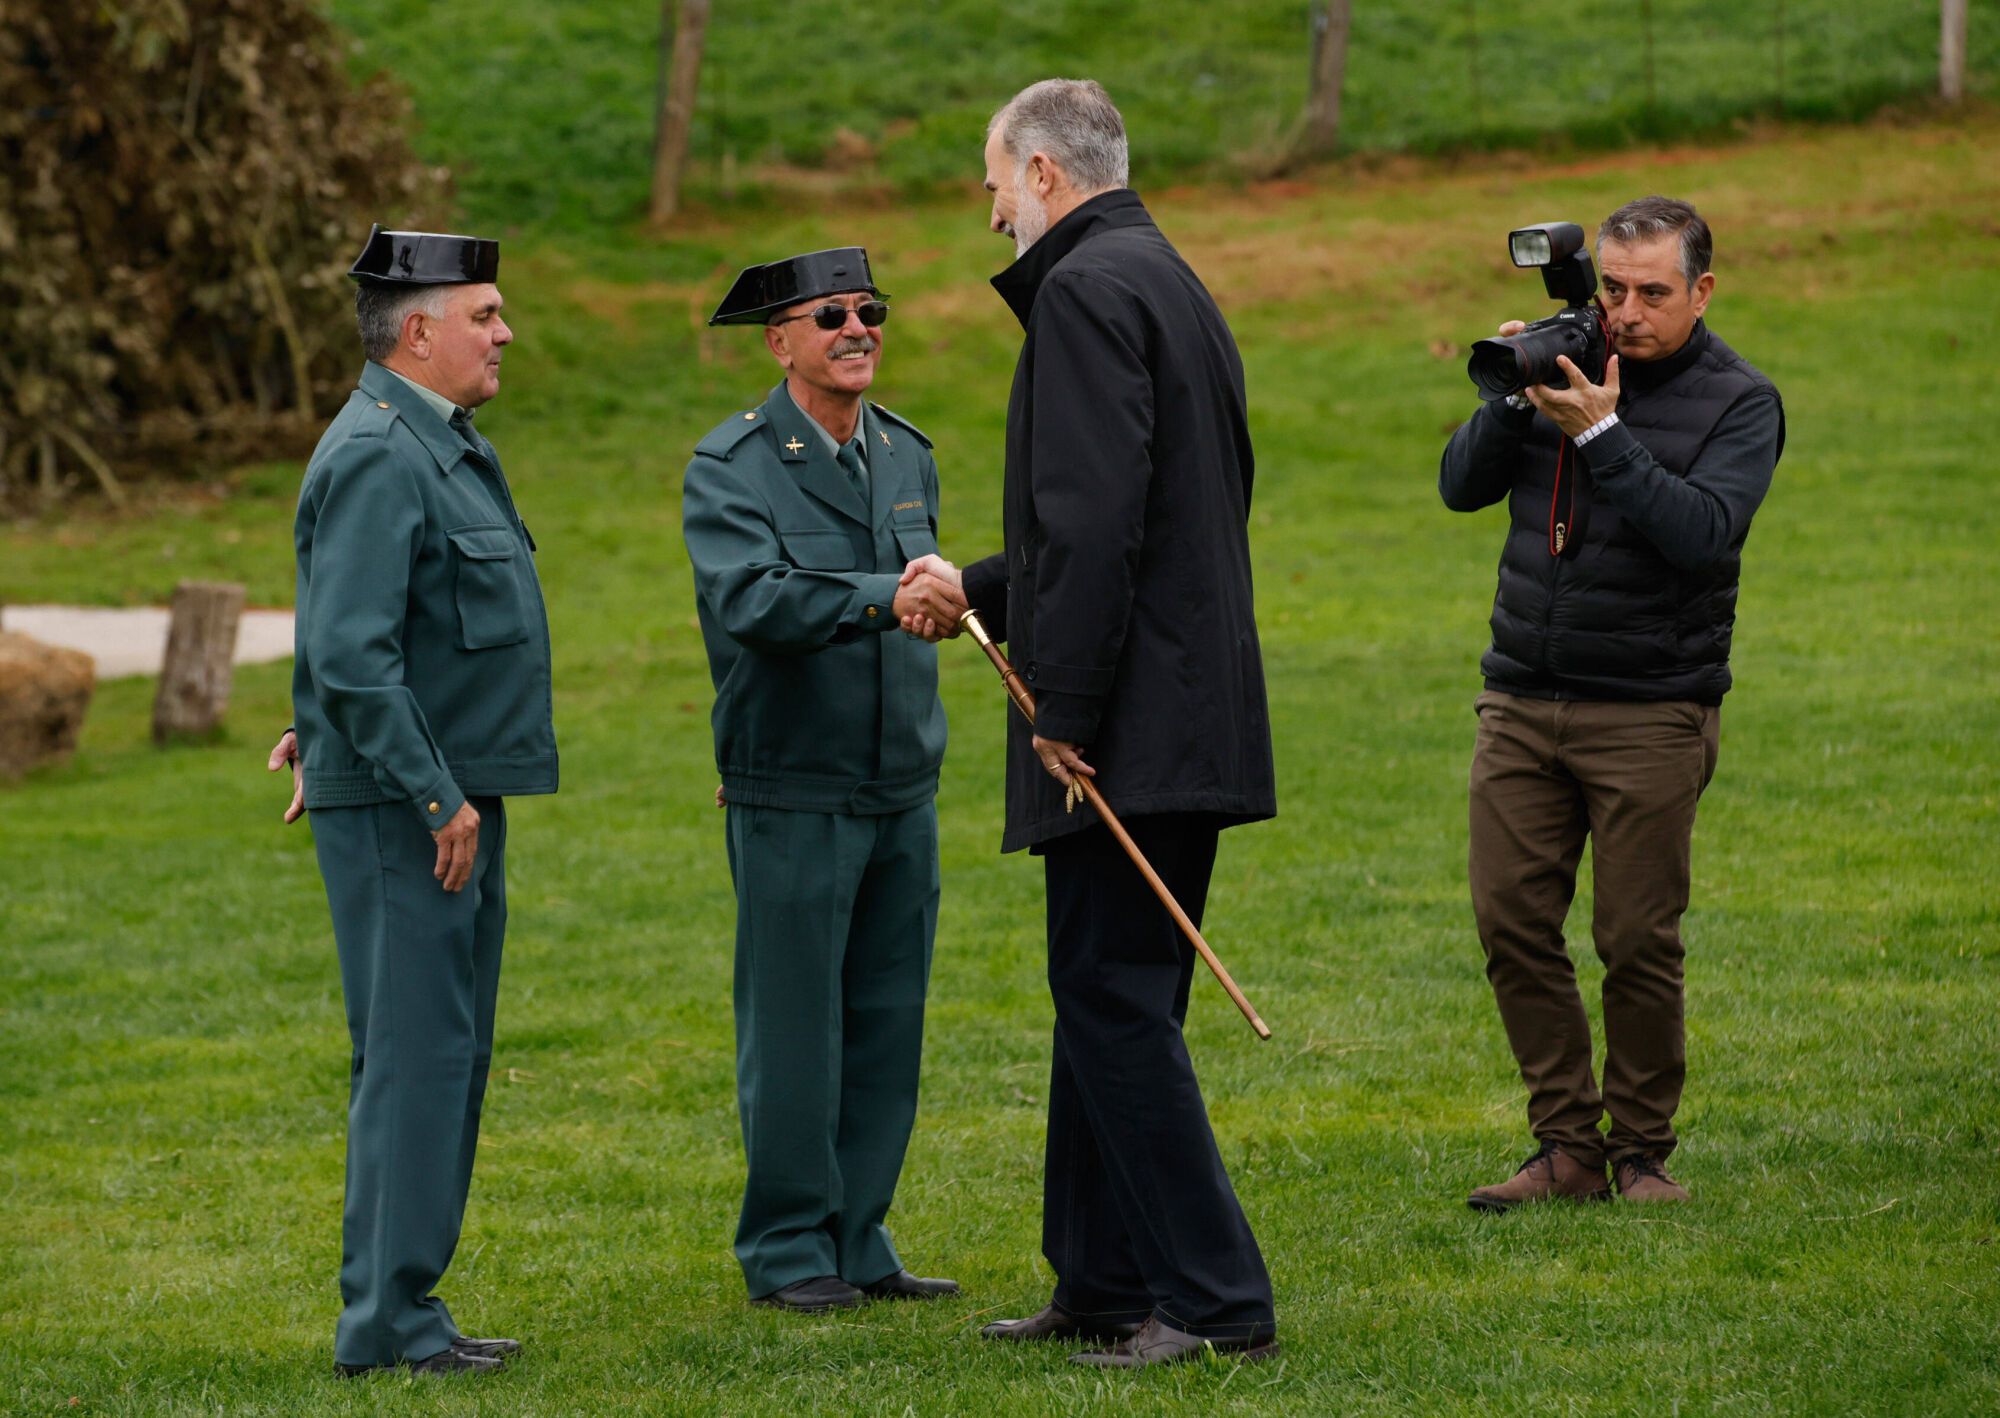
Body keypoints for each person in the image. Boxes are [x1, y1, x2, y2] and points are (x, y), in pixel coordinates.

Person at [902, 79, 1279, 1368]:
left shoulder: (1079, 291)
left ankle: (1216, 1299)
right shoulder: (1165, 278)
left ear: (1047, 175)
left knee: (1113, 998)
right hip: (1184, 700)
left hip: (1130, 717)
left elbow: (1098, 515)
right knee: (1107, 994)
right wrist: (986, 587)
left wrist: (1063, 706)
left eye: (995, 180)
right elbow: (1147, 510)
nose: (989, 207)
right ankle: (1102, 1279)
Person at [1439, 196, 1784, 1211]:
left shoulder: (1738, 401)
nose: (1624, 313)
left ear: (1700, 291)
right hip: (1519, 694)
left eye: (1651, 293)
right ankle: (1563, 1147)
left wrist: (1600, 432)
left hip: (1649, 709)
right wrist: (1510, 398)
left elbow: (1702, 533)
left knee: (1634, 938)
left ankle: (1638, 1152)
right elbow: (1459, 487)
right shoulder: (1561, 365)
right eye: (1613, 289)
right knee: (1508, 920)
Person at [267, 225, 557, 1376]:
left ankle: (408, 1307)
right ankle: (385, 1322)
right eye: (485, 314)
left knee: (443, 1052)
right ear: (420, 329)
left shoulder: (436, 441)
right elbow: (348, 650)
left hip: (432, 789)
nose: (505, 332)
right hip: (411, 806)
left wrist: (343, 735)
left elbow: (389, 635)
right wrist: (433, 794)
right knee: (413, 1053)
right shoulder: (384, 452)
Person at [683, 247, 962, 1315]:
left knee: (887, 1020)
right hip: (792, 787)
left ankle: (860, 1231)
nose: (857, 328)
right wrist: (882, 595)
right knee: (795, 1028)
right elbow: (751, 600)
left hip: (901, 783)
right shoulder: (731, 464)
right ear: (780, 339)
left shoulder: (903, 453)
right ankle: (787, 1244)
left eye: (871, 310)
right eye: (832, 314)